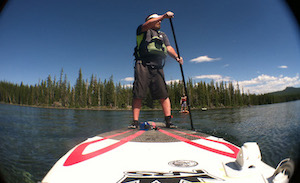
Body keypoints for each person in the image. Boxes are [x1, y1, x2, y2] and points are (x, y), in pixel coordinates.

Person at [129, 11, 183, 129]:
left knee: (163, 94)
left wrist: (177, 58)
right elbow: (149, 24)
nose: (159, 22)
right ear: (150, 21)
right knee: (139, 93)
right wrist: (163, 16)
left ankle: (169, 121)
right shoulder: (142, 30)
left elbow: (168, 48)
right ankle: (135, 122)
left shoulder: (162, 35)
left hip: (158, 65)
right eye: (156, 20)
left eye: (160, 20)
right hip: (142, 63)